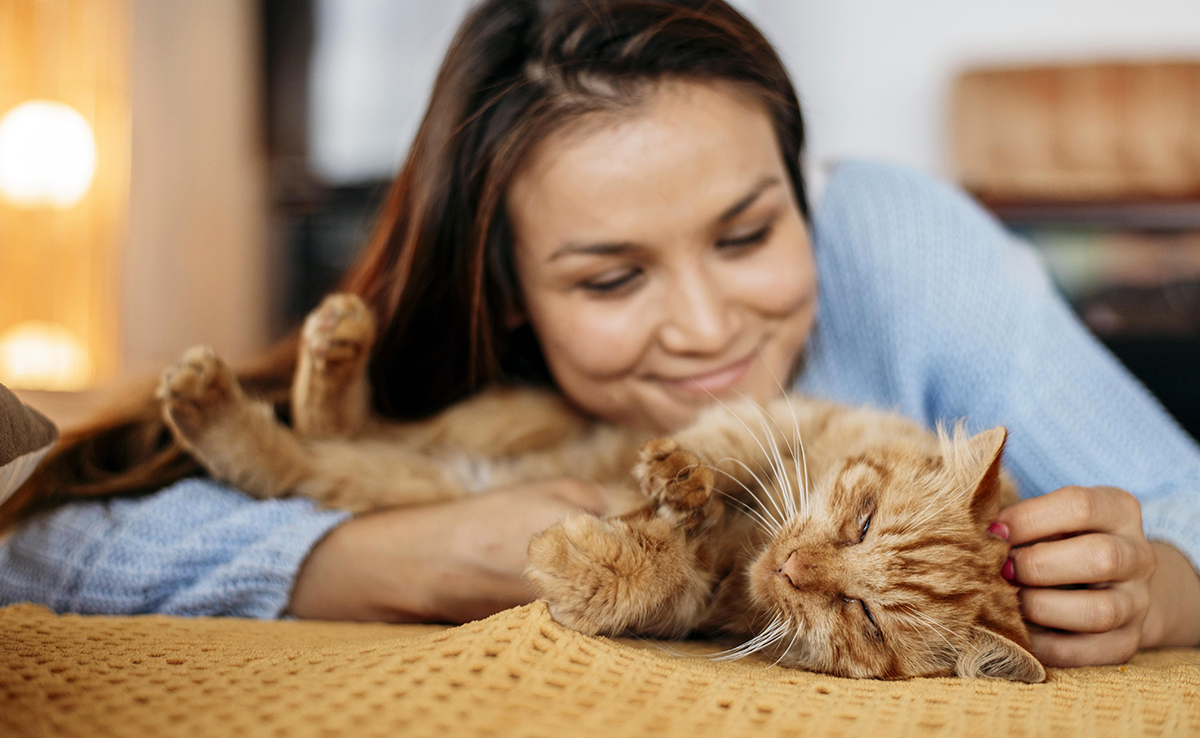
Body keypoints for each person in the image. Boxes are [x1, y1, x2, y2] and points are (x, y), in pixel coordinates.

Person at [1, 0, 1198, 668]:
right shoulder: (460, 349)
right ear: (508, 289)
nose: (707, 326)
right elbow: (33, 548)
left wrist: (1160, 590)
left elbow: (1181, 507)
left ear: (802, 185)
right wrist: (391, 555)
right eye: (613, 276)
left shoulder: (898, 243)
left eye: (745, 235)